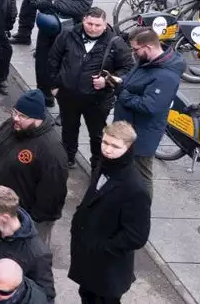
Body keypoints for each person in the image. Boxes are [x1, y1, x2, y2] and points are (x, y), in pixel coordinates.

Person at [67, 121, 152, 304]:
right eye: (105, 142)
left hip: (107, 269)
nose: (108, 149)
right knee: (87, 297)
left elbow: (137, 236)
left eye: (115, 146)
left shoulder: (135, 188)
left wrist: (103, 248)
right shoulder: (105, 164)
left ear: (128, 147)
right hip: (89, 260)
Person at [47, 7, 133, 168]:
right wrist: (54, 86)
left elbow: (128, 69)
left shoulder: (116, 43)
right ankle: (68, 158)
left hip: (97, 100)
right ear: (84, 20)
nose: (93, 28)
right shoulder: (68, 34)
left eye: (97, 25)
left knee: (97, 135)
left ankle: (97, 165)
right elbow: (53, 59)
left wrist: (107, 80)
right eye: (90, 23)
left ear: (105, 24)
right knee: (68, 129)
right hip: (68, 95)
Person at [0, 90, 68, 245]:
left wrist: (29, 224)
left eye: (23, 116)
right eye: (15, 112)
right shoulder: (9, 127)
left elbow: (52, 199)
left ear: (38, 118)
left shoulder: (52, 151)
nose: (15, 118)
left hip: (25, 221)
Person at [112, 27, 184, 197]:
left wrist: (122, 93)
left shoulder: (165, 76)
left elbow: (149, 106)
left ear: (149, 47)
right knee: (127, 168)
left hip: (143, 133)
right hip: (129, 126)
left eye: (136, 49)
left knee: (142, 174)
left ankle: (141, 208)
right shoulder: (147, 60)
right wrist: (120, 81)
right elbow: (133, 78)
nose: (134, 53)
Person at [24, 0, 93, 108]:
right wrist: (41, 2)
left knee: (65, 67)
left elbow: (84, 5)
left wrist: (55, 3)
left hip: (69, 29)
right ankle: (43, 96)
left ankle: (64, 104)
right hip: (47, 25)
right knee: (42, 62)